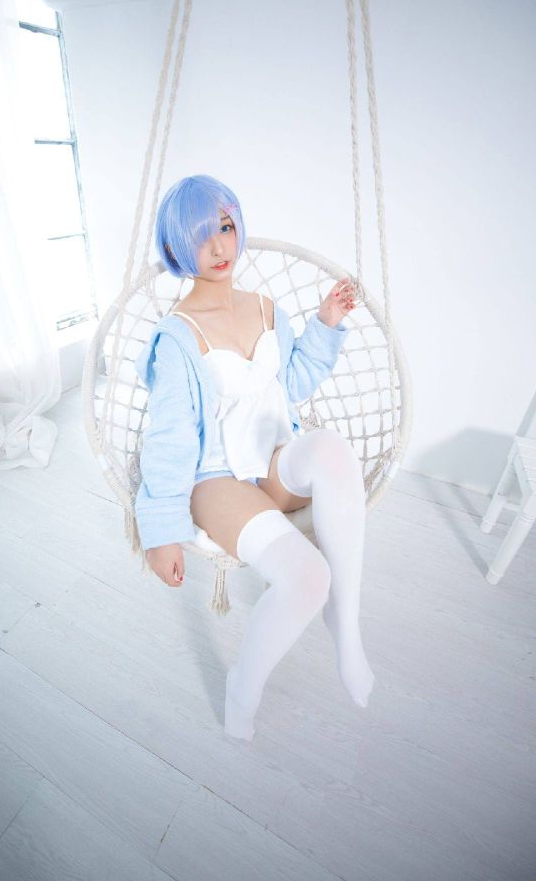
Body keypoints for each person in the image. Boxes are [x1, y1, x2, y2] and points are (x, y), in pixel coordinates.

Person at [133, 174, 374, 741]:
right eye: (200, 236)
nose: (219, 246)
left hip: (273, 459)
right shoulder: (176, 338)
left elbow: (292, 383)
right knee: (308, 576)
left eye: (224, 225)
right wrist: (160, 533)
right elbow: (169, 438)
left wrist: (326, 324)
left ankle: (347, 621)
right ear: (174, 248)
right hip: (216, 479)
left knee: (332, 447)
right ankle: (243, 685)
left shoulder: (267, 308)